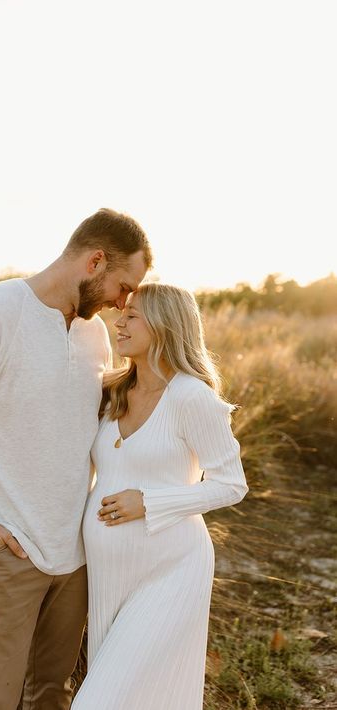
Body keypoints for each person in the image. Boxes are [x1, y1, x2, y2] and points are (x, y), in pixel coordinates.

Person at [0, 207, 152, 710]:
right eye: (124, 286)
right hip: (6, 554)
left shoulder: (93, 335)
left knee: (52, 694)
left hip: (76, 555)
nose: (123, 303)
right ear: (95, 262)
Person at [72, 283, 249, 710]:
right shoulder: (112, 391)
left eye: (133, 315)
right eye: (123, 313)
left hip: (171, 566)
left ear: (166, 325)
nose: (120, 322)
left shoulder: (192, 397)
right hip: (108, 570)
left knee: (99, 701)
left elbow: (231, 484)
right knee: (131, 695)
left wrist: (149, 501)